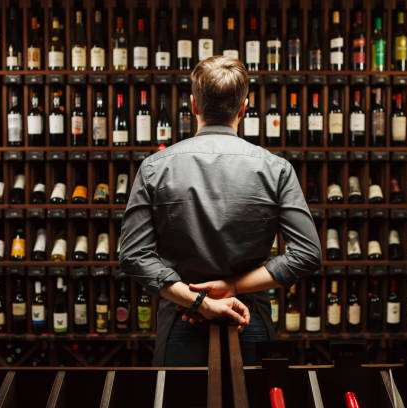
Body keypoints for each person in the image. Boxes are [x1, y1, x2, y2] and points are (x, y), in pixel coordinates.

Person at [119, 55, 321, 366]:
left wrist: (198, 301)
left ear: (193, 105)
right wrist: (234, 287)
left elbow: (133, 256)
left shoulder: (154, 168)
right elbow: (307, 254)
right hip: (248, 316)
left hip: (180, 319)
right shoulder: (276, 169)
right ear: (244, 107)